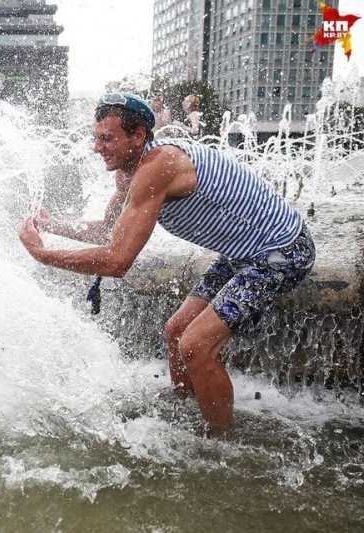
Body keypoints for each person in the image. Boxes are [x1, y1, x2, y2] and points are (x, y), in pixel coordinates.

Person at [19, 93, 315, 433]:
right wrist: (54, 225)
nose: (96, 148)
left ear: (139, 136)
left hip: (283, 251)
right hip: (243, 254)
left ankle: (222, 445)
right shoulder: (130, 173)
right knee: (176, 332)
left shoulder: (159, 165)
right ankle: (188, 413)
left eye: (107, 139)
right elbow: (107, 232)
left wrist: (42, 255)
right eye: (95, 137)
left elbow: (117, 262)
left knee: (196, 345)